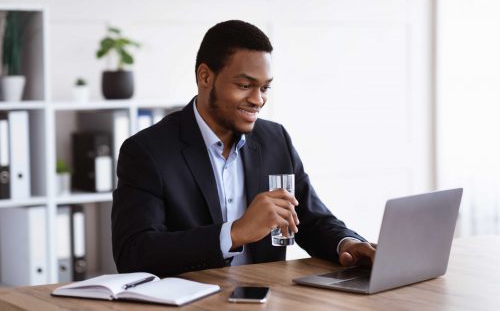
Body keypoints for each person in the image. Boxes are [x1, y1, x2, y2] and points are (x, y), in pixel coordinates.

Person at [112, 20, 376, 276]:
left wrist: (348, 244)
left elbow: (311, 220)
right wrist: (235, 232)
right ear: (205, 77)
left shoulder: (275, 139)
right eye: (245, 85)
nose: (257, 100)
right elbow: (134, 253)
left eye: (264, 87)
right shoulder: (147, 151)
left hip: (268, 298)